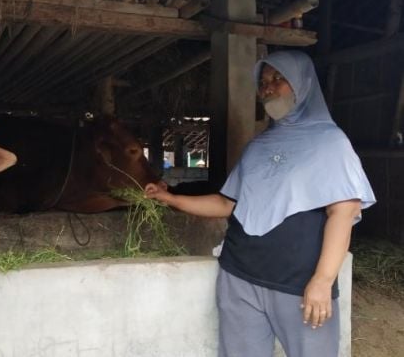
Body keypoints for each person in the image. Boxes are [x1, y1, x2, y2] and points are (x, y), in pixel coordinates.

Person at [145, 50, 375, 357]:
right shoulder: (258, 147)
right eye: (264, 81)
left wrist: (322, 280)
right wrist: (170, 198)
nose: (268, 87)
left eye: (279, 79)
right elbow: (226, 204)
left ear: (303, 83)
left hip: (299, 282)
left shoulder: (331, 144)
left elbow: (342, 213)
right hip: (239, 274)